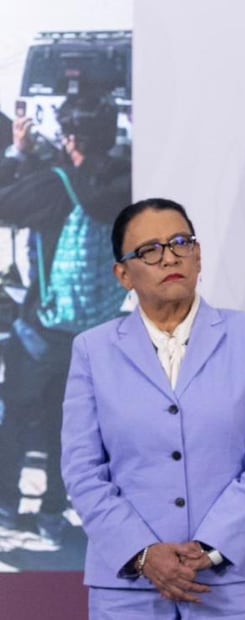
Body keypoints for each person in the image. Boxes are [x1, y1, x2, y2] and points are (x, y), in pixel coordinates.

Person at [61, 198, 245, 618]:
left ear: (198, 255)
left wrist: (212, 545)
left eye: (180, 242)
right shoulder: (92, 351)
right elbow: (82, 468)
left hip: (230, 580)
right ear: (122, 274)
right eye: (150, 250)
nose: (169, 256)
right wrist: (144, 554)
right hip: (128, 582)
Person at [0, 93, 130, 546]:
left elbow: (4, 204)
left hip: (41, 333)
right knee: (68, 428)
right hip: (96, 337)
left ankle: (8, 509)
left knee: (13, 416)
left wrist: (20, 154)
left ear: (70, 136)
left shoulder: (54, 185)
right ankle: (55, 509)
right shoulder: (132, 187)